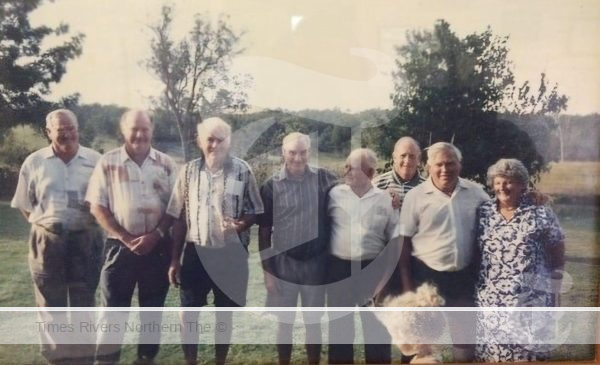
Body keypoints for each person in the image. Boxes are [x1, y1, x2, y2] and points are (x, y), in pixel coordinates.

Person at [166, 117, 263, 365]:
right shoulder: (188, 172)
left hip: (230, 255)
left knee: (225, 314)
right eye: (210, 139)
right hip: (196, 251)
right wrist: (175, 260)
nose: (215, 144)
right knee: (188, 313)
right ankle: (191, 362)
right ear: (200, 141)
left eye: (221, 139)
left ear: (228, 141)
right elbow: (178, 217)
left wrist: (240, 225)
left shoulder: (242, 170)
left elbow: (254, 209)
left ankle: (220, 361)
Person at [11, 109, 103, 365]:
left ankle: (84, 359)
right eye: (60, 129)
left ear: (78, 128)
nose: (67, 133)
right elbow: (24, 203)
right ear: (48, 132)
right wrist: (45, 225)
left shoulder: (96, 161)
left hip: (86, 240)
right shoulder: (34, 162)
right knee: (51, 304)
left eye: (70, 127)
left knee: (84, 301)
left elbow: (106, 202)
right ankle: (57, 359)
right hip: (48, 242)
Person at [86, 109, 177, 365]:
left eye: (144, 129)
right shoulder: (108, 162)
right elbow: (97, 207)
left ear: (152, 130)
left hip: (157, 247)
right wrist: (126, 238)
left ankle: (146, 360)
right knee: (113, 312)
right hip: (119, 248)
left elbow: (176, 207)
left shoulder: (166, 164)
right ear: (123, 131)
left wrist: (157, 234)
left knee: (152, 312)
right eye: (133, 129)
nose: (139, 134)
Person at [399, 142, 490, 362]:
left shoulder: (476, 193)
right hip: (426, 278)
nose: (444, 169)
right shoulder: (416, 196)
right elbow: (403, 243)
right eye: (439, 164)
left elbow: (505, 206)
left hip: (463, 277)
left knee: (464, 342)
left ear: (460, 165)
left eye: (450, 163)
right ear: (428, 167)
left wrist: (531, 198)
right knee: (421, 344)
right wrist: (409, 290)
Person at [257, 132, 337, 365]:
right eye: (292, 152)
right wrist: (268, 273)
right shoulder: (271, 186)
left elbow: (353, 194)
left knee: (313, 322)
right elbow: (263, 233)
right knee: (285, 323)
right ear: (284, 153)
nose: (298, 158)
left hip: (316, 263)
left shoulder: (326, 179)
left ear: (309, 153)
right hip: (284, 263)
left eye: (303, 152)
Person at [475, 159, 565, 362]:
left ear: (522, 184)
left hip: (531, 301)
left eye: (509, 182)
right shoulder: (484, 212)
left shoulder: (540, 213)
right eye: (498, 182)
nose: (502, 187)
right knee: (494, 356)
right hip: (492, 302)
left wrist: (556, 289)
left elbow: (558, 252)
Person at [327, 148, 400, 364]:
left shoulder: (386, 199)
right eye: (346, 165)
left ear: (369, 173)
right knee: (339, 332)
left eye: (352, 167)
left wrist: (385, 280)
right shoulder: (333, 194)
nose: (346, 170)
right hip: (339, 271)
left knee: (376, 331)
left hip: (373, 270)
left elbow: (394, 242)